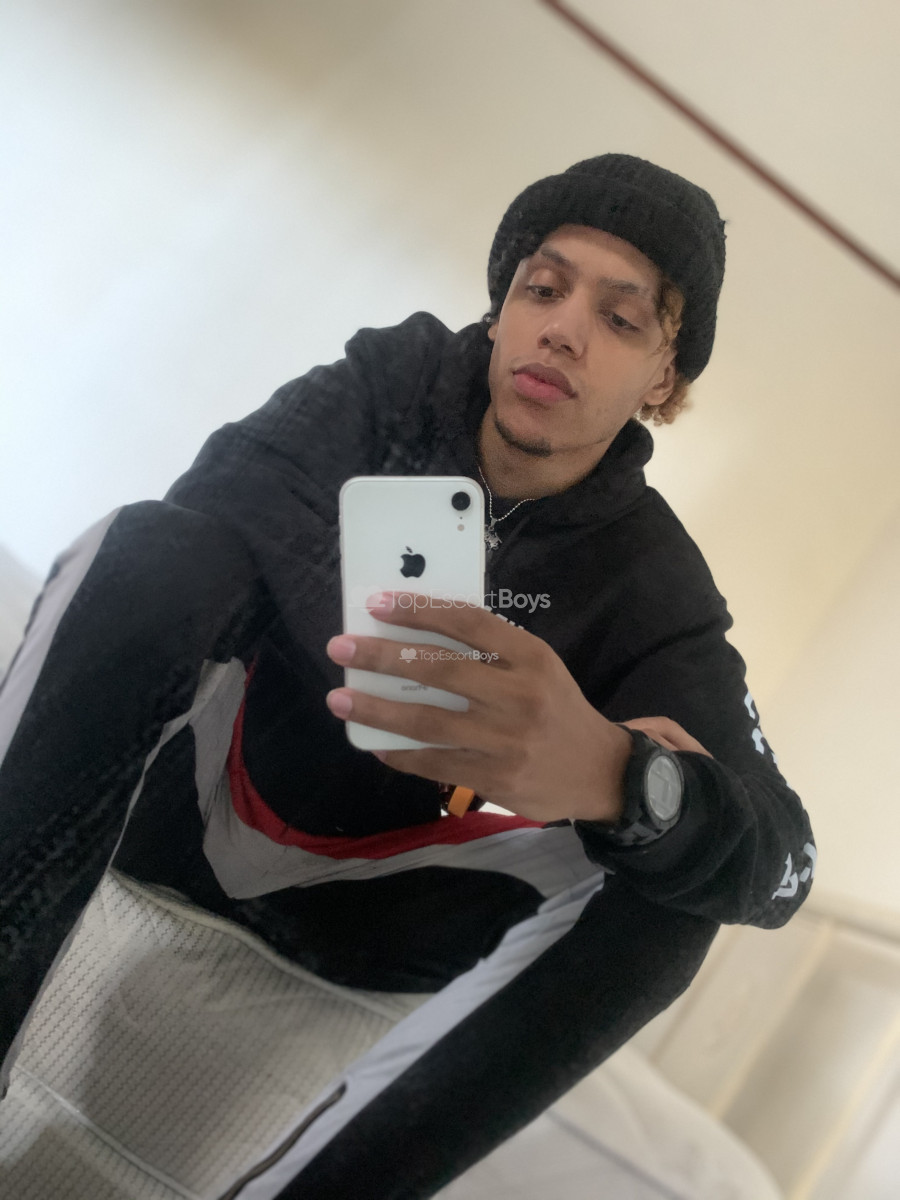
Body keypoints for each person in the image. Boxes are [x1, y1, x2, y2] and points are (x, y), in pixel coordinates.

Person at [0, 154, 815, 1197]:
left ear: (663, 377)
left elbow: (784, 867)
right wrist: (400, 637)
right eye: (543, 288)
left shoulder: (655, 587)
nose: (563, 330)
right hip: (200, 802)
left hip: (387, 913)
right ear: (501, 307)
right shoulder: (391, 383)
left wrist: (619, 777)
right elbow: (213, 501)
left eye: (620, 319)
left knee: (671, 886)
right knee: (154, 548)